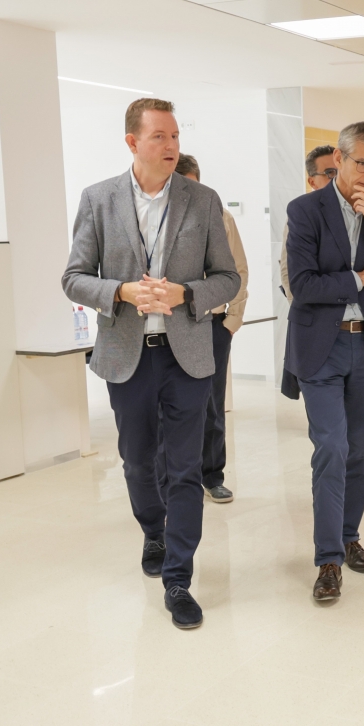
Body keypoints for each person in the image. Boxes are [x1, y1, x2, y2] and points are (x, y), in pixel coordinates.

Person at [62, 98, 241, 629]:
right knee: (139, 462)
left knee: (184, 469)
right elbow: (73, 276)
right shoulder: (98, 200)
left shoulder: (203, 200)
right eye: (159, 137)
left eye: (175, 136)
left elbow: (227, 278)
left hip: (187, 354)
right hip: (127, 358)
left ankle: (179, 578)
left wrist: (186, 292)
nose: (171, 147)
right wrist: (121, 290)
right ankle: (154, 532)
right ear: (132, 142)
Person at [285, 121, 364, 602]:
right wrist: (361, 278)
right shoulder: (306, 211)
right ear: (338, 159)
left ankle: (349, 535)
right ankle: (327, 559)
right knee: (331, 447)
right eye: (362, 163)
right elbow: (304, 285)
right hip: (322, 347)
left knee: (358, 449)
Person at [165, 153, 248, 504]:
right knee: (170, 405)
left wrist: (232, 321)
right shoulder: (158, 221)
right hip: (169, 324)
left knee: (211, 405)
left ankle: (212, 475)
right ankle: (173, 480)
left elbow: (238, 271)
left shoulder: (220, 217)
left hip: (212, 324)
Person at [280, 145, 337, 302]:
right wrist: (302, 313)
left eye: (341, 171)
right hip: (317, 315)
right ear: (312, 182)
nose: (338, 178)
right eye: (330, 173)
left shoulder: (363, 209)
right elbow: (287, 270)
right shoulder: (301, 214)